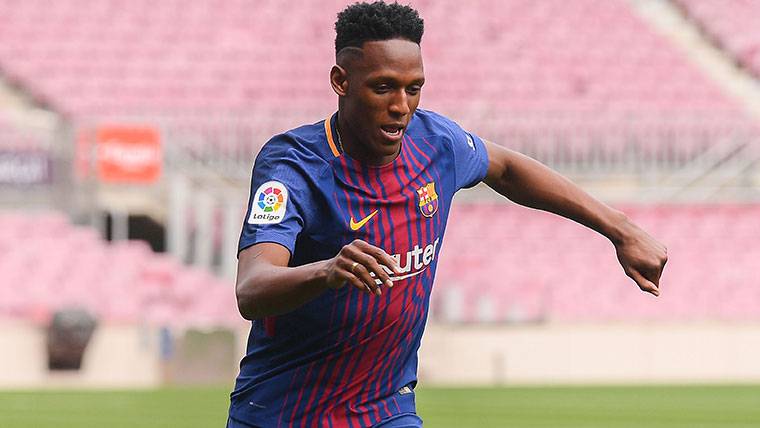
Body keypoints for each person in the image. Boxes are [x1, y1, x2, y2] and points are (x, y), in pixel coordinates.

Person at [228, 2, 668, 427]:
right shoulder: (294, 166)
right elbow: (252, 289)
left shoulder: (436, 143)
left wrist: (620, 229)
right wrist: (326, 271)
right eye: (383, 87)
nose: (401, 105)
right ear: (341, 81)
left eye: (413, 88)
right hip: (279, 412)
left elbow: (506, 168)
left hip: (385, 409)